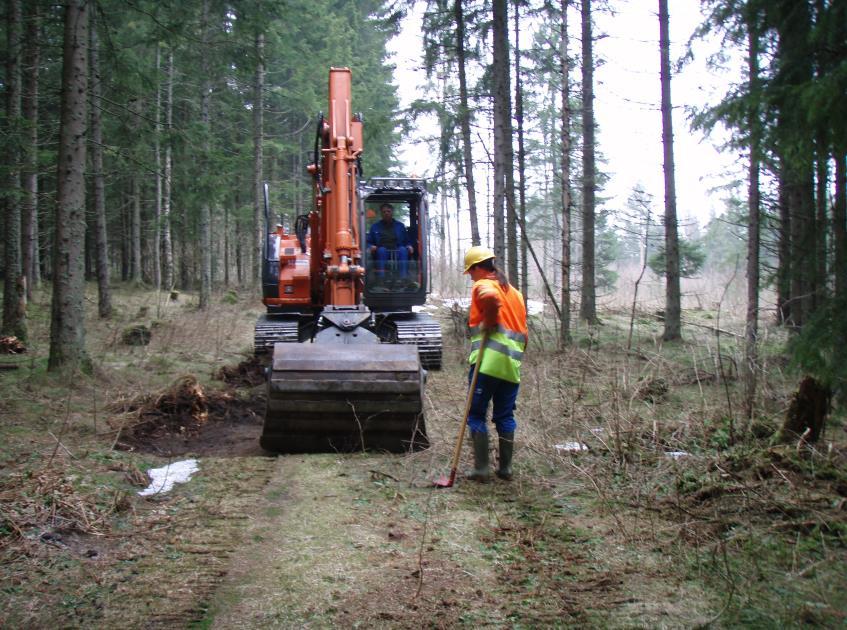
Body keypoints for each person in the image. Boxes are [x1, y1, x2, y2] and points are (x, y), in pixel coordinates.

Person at [463, 246, 528, 482]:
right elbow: (524, 333)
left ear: (480, 268)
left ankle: (481, 470)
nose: (470, 275)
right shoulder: (515, 293)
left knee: (476, 414)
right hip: (511, 365)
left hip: (487, 363)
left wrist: (488, 322)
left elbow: (490, 300)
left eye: (471, 270)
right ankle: (506, 469)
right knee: (504, 415)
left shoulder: (484, 285)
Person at [367, 203, 413, 281]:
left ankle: (403, 279)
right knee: (381, 250)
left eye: (388, 211)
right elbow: (369, 242)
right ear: (381, 213)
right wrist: (370, 246)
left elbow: (407, 240)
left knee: (403, 250)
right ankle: (381, 279)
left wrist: (409, 245)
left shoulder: (400, 226)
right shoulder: (375, 227)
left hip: (397, 250)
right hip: (381, 252)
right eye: (384, 212)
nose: (386, 213)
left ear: (392, 212)